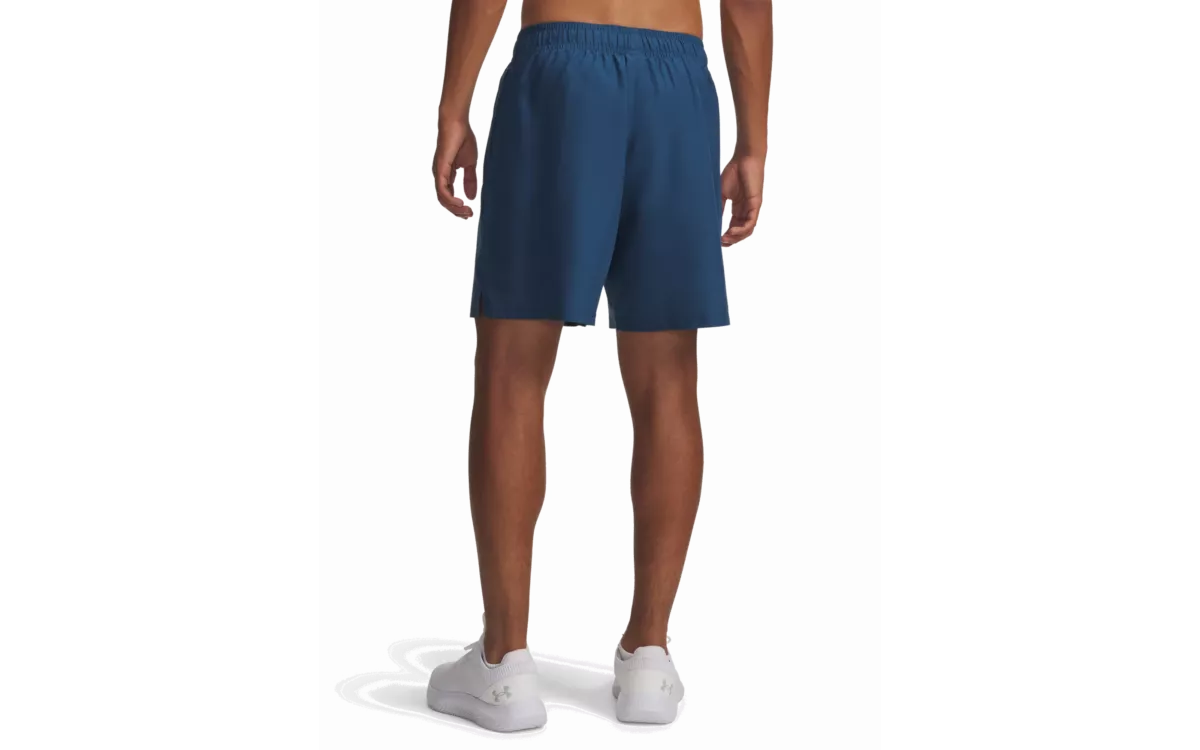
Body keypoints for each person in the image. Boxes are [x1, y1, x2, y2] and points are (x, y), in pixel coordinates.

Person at [426, 0, 772, 731]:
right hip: (678, 86)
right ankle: (649, 659)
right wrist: (753, 143)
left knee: (512, 371)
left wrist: (453, 106)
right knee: (668, 379)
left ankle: (503, 666)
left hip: (560, 71)